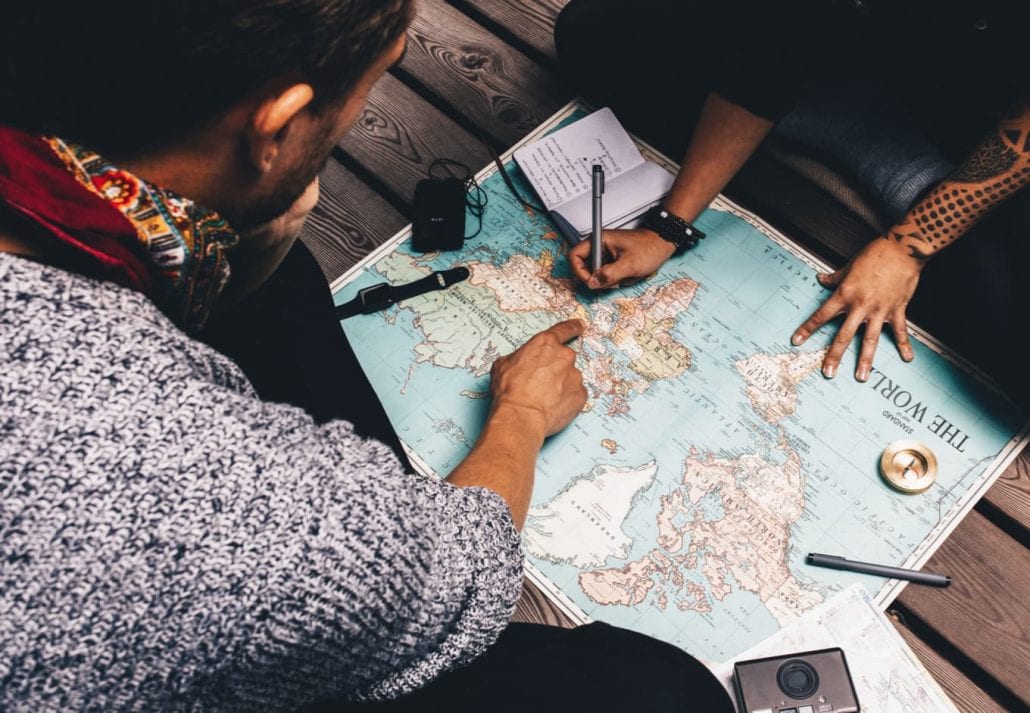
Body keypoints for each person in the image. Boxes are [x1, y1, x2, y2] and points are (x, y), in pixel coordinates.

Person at [0, 1, 733, 711]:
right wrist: (522, 412)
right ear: (278, 123)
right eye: (380, 74)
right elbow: (463, 573)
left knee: (273, 278)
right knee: (673, 695)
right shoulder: (218, 494)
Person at [556, 0, 1030, 410]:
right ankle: (833, 113)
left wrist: (909, 245)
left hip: (975, 123)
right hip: (830, 46)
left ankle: (873, 139)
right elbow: (777, 31)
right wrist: (668, 227)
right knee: (594, 35)